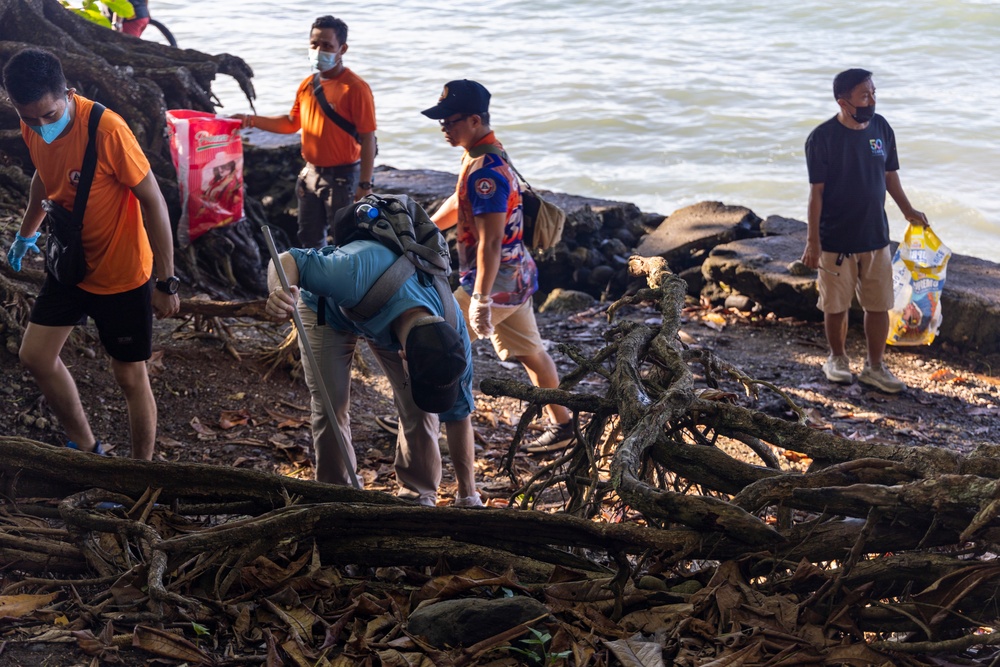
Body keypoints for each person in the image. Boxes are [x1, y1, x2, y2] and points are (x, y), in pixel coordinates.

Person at [3, 48, 180, 459]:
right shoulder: (31, 123)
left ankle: (139, 473)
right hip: (70, 264)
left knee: (130, 376)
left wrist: (166, 280)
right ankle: (86, 446)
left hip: (121, 272)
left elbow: (153, 200)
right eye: (30, 118)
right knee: (35, 356)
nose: (42, 126)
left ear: (68, 92)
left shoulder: (107, 131)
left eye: (50, 115)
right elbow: (42, 178)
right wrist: (26, 234)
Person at [264, 215, 481, 507]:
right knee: (331, 405)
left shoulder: (454, 333)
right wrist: (278, 291)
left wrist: (468, 495)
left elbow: (459, 415)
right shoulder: (353, 270)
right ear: (402, 356)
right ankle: (336, 494)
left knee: (420, 410)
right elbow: (288, 259)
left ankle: (418, 497)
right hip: (329, 309)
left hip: (386, 313)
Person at [421, 79, 574, 450]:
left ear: (474, 119)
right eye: (440, 120)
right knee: (530, 352)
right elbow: (462, 204)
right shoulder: (483, 152)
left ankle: (425, 431)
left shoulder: (486, 172)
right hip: (517, 275)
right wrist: (425, 227)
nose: (443, 127)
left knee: (438, 350)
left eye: (449, 120)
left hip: (496, 282)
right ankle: (565, 426)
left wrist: (481, 299)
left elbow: (490, 241)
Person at [802, 68, 929, 394]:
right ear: (844, 102)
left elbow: (890, 178)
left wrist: (908, 211)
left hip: (875, 236)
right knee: (835, 306)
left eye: (873, 92)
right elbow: (816, 193)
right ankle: (838, 359)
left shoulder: (882, 128)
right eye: (864, 95)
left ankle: (875, 366)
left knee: (878, 305)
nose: (872, 99)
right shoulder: (822, 138)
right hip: (835, 240)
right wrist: (812, 241)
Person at [233, 15, 376, 249]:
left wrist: (365, 184)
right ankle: (315, 283)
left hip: (342, 178)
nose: (319, 50)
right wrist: (249, 120)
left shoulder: (355, 88)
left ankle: (343, 284)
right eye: (314, 44)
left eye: (327, 46)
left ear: (343, 49)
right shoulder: (309, 84)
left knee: (347, 239)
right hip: (310, 173)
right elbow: (291, 123)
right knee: (308, 238)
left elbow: (368, 138)